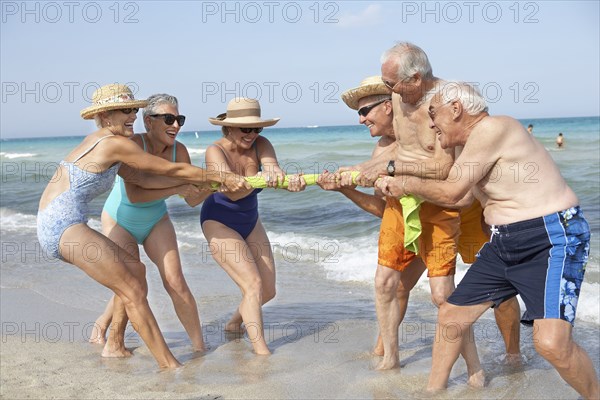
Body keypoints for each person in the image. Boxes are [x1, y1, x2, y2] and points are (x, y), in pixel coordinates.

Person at [376, 81, 599, 399]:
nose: (430, 123)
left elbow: (452, 191)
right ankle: (432, 393)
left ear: (456, 110)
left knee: (551, 343)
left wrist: (405, 183)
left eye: (433, 114)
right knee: (451, 315)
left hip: (551, 237)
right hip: (503, 242)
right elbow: (463, 200)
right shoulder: (467, 147)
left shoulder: (495, 127)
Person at [36, 84, 248, 369]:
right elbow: (167, 170)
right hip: (61, 224)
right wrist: (216, 176)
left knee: (136, 271)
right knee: (133, 290)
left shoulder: (111, 144)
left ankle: (116, 346)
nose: (133, 116)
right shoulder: (114, 142)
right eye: (126, 110)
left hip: (63, 222)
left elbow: (145, 180)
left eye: (134, 110)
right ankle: (169, 364)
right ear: (106, 115)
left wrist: (199, 184)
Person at [89, 93, 209, 357]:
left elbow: (190, 199)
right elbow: (136, 194)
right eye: (168, 118)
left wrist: (212, 188)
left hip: (156, 219)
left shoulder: (181, 152)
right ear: (148, 122)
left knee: (176, 281)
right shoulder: (132, 144)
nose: (176, 125)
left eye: (179, 119)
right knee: (130, 280)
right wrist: (179, 185)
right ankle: (112, 341)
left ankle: (200, 347)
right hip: (120, 218)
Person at [317, 76, 427, 359]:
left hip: (447, 217)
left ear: (388, 106)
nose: (361, 119)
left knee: (491, 291)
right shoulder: (380, 147)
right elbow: (382, 209)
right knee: (393, 286)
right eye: (359, 113)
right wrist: (345, 188)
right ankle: (384, 353)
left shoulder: (422, 133)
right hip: (405, 220)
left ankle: (511, 354)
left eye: (364, 111)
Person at [200, 97, 306, 355]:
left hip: (251, 219)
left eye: (256, 128)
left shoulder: (262, 144)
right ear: (229, 127)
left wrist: (289, 182)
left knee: (267, 291)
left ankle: (235, 322)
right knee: (253, 285)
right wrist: (263, 177)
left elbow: (274, 171)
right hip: (218, 219)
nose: (252, 134)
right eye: (245, 129)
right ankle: (262, 353)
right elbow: (232, 191)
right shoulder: (215, 151)